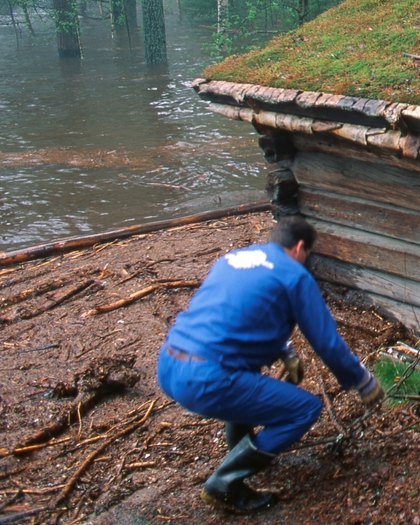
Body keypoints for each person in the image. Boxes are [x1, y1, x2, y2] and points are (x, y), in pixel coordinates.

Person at [156, 215, 383, 513]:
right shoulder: (295, 275)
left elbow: (236, 315)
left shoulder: (233, 259)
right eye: (308, 255)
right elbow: (326, 342)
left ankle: (240, 452)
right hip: (205, 379)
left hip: (169, 364)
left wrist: (284, 351)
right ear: (300, 247)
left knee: (245, 375)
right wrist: (362, 380)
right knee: (305, 409)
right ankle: (224, 483)